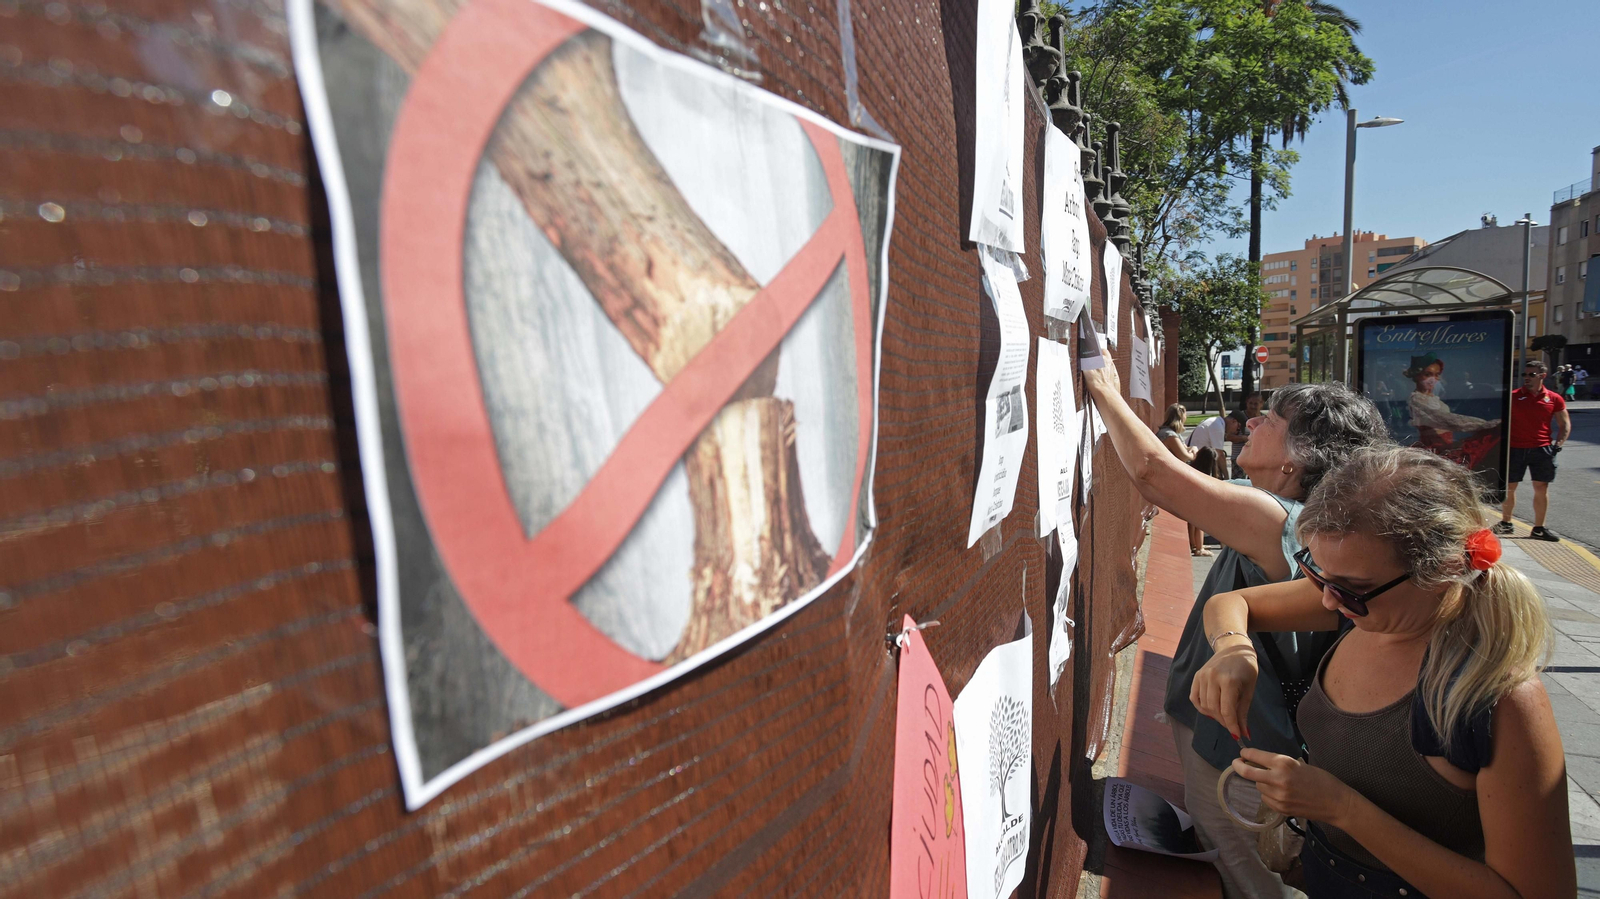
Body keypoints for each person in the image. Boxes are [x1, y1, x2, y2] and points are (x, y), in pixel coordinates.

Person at [1192, 446, 1573, 899]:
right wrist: (1234, 650)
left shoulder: (1499, 699)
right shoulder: (1366, 605)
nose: (1329, 601)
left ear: (1444, 570)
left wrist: (1341, 808)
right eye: (1316, 571)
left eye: (1351, 589)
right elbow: (1231, 604)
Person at [1084, 364, 1388, 899]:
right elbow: (1192, 479)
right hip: (1235, 745)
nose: (1253, 421)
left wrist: (1101, 381)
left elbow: (1154, 474)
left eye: (1271, 418)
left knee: (1247, 880)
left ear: (1298, 458)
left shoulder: (1278, 521)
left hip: (1238, 758)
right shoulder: (1296, 515)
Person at [1497, 360, 1569, 542]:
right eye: (1524, 374)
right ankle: (1506, 523)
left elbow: (1564, 424)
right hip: (1514, 448)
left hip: (1542, 449)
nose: (1527, 378)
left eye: (1531, 374)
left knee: (1541, 487)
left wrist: (1558, 444)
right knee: (1510, 487)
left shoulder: (1553, 398)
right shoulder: (1513, 396)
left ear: (1542, 376)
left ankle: (1539, 528)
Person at [1400, 353, 1500, 470]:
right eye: (1428, 374)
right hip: (1433, 448)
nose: (1433, 379)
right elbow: (1443, 419)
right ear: (1417, 375)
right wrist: (1482, 425)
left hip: (1445, 445)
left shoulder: (1433, 398)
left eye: (1437, 375)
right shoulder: (1416, 399)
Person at [1157, 404, 1211, 557]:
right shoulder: (1169, 435)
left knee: (1192, 513)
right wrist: (1193, 451)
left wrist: (1190, 448)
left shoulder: (1168, 433)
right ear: (1181, 416)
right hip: (1172, 479)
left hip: (1172, 477)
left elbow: (1182, 450)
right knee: (1196, 512)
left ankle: (1195, 545)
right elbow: (1184, 456)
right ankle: (1197, 547)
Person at [1188, 412, 1232, 480]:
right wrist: (1227, 477)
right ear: (1234, 421)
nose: (1236, 432)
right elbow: (1219, 454)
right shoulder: (1217, 426)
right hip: (1198, 461)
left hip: (1195, 457)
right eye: (1237, 428)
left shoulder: (1214, 420)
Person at [1227, 393, 1264, 472]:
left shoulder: (1264, 420)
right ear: (1246, 403)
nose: (1253, 406)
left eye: (1256, 404)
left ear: (1261, 404)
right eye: (1250, 403)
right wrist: (1244, 439)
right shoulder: (1237, 417)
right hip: (1239, 458)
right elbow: (1228, 436)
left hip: (1258, 459)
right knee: (1238, 483)